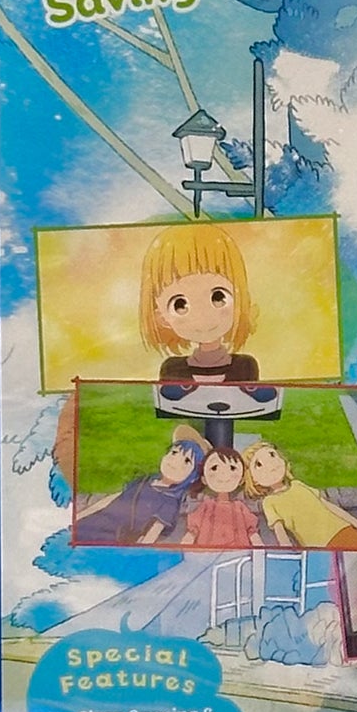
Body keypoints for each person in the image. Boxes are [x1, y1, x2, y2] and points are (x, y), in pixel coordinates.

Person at [139, 223, 262, 448]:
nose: (203, 316)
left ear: (240, 299)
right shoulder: (173, 370)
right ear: (160, 316)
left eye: (218, 297)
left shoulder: (244, 367)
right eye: (180, 304)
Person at [71, 428, 207, 546]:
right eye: (174, 452)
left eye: (187, 461)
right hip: (92, 524)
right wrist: (80, 516)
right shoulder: (145, 480)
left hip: (112, 538)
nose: (175, 461)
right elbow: (114, 498)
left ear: (193, 476)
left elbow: (152, 534)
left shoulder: (169, 502)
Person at [242, 441, 357, 551]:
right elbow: (280, 533)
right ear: (254, 480)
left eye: (272, 455)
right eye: (259, 464)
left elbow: (328, 506)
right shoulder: (269, 502)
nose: (271, 464)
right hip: (322, 546)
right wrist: (288, 553)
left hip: (344, 530)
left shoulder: (298, 484)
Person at [181, 445, 266, 550]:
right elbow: (193, 529)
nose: (223, 473)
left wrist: (259, 547)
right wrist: (185, 545)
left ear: (241, 479)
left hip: (238, 553)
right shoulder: (206, 506)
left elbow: (251, 530)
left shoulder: (240, 507)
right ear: (204, 479)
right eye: (214, 468)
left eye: (232, 468)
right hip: (208, 553)